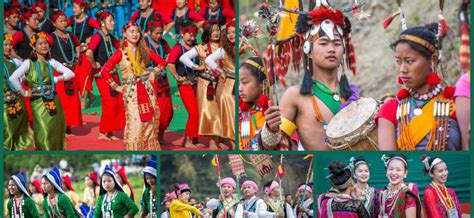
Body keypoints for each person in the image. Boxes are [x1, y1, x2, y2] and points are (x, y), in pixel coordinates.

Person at [261, 3, 359, 150]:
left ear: (344, 50)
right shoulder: (295, 95)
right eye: (324, 43)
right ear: (308, 50)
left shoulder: (353, 96)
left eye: (337, 43)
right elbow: (276, 148)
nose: (331, 49)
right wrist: (271, 129)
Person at [376, 23, 461, 150]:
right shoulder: (391, 108)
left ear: (434, 60)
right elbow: (390, 160)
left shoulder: (456, 101)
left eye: (409, 61)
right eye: (398, 61)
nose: (402, 69)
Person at [100, 21, 167, 150]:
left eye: (137, 31)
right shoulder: (120, 53)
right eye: (132, 32)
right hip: (131, 92)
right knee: (135, 123)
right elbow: (105, 71)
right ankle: (134, 151)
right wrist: (116, 87)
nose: (135, 34)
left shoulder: (144, 50)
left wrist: (153, 72)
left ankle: (149, 150)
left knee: (149, 122)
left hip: (147, 90)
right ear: (124, 34)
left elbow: (162, 62)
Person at [9, 32, 75, 150]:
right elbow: (13, 78)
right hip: (38, 101)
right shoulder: (28, 63)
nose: (44, 46)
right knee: (43, 130)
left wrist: (57, 79)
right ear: (34, 47)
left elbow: (70, 73)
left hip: (53, 100)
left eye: (46, 43)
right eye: (40, 44)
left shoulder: (51, 62)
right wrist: (24, 92)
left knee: (56, 130)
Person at [180, 23, 222, 149]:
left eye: (218, 30)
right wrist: (197, 67)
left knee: (221, 112)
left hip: (221, 83)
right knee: (208, 112)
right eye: (213, 30)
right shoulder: (201, 47)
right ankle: (211, 141)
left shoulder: (224, 47)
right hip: (205, 84)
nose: (216, 33)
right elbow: (184, 58)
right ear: (208, 33)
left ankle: (220, 139)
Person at [86, 10, 125, 141]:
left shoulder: (110, 37)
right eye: (110, 21)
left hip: (113, 74)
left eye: (113, 20)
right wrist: (94, 65)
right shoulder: (97, 36)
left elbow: (121, 48)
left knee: (117, 101)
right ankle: (103, 132)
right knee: (109, 101)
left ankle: (110, 131)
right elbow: (89, 52)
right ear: (102, 23)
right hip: (102, 75)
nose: (113, 23)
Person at [167, 21, 203, 148]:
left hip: (197, 84)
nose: (192, 38)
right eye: (190, 35)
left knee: (200, 110)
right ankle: (187, 140)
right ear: (183, 34)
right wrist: (177, 77)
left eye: (194, 35)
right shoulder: (178, 48)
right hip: (185, 85)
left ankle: (195, 139)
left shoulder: (197, 47)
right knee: (193, 111)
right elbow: (170, 63)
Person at [50, 10, 83, 136]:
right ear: (54, 23)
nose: (64, 23)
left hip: (71, 71)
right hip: (59, 72)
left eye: (65, 21)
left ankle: (69, 127)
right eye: (61, 21)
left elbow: (78, 45)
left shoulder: (70, 35)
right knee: (61, 100)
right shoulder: (51, 37)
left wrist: (77, 56)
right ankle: (61, 127)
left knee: (72, 100)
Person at [205, 21, 236, 149]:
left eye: (234, 32)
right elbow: (208, 60)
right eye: (228, 32)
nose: (230, 35)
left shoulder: (244, 46)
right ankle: (232, 142)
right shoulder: (224, 49)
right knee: (228, 113)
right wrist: (220, 71)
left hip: (240, 84)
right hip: (227, 85)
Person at [239, 57, 279, 150]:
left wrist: (272, 130)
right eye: (239, 83)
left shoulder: (276, 115)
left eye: (244, 82)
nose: (240, 88)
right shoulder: (239, 113)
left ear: (264, 84)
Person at [3, 33, 33, 150]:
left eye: (10, 45)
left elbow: (25, 75)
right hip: (4, 101)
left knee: (21, 124)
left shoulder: (14, 62)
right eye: (5, 45)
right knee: (8, 130)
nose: (8, 47)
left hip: (17, 99)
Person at [68, 0, 100, 109]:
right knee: (78, 76)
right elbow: (60, 26)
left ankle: (83, 100)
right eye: (73, 7)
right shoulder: (71, 19)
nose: (73, 10)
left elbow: (101, 29)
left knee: (85, 76)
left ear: (82, 9)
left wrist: (93, 38)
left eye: (75, 8)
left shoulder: (90, 20)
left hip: (87, 52)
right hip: (76, 52)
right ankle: (91, 96)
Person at [146, 20, 173, 144]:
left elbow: (171, 55)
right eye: (156, 33)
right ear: (150, 32)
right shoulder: (144, 44)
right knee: (154, 110)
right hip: (150, 80)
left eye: (161, 33)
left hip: (163, 79)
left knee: (167, 110)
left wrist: (168, 58)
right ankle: (151, 137)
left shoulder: (163, 42)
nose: (159, 36)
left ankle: (160, 136)